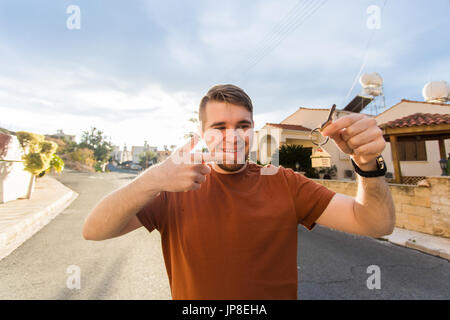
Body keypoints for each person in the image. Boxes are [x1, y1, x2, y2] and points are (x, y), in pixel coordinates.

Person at [82, 84, 395, 300]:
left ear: (253, 130)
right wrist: (151, 181)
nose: (232, 136)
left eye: (242, 126)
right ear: (203, 134)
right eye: (219, 128)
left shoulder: (284, 182)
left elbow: (374, 223)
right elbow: (94, 230)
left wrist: (367, 164)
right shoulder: (172, 186)